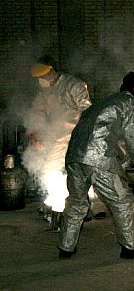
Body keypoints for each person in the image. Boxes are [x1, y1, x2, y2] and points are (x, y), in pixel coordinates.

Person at [58, 71, 134, 260]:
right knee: (123, 201)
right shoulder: (130, 103)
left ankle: (66, 248)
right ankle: (130, 248)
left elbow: (106, 136)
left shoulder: (104, 104)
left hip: (74, 157)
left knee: (77, 203)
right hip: (98, 157)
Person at [24, 55, 99, 228]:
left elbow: (87, 111)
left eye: (42, 76)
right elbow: (38, 112)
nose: (41, 80)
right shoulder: (45, 91)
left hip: (76, 137)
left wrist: (87, 136)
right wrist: (36, 134)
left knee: (78, 174)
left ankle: (83, 209)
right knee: (50, 169)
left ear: (52, 71)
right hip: (56, 137)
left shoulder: (75, 85)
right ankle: (57, 204)